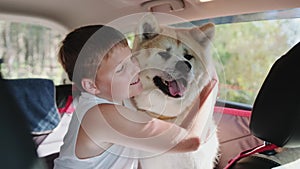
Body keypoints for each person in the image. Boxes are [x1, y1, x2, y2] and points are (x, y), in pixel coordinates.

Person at [54, 24, 217, 169]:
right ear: (91, 86)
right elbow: (190, 141)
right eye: (121, 69)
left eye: (132, 58)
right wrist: (210, 87)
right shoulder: (103, 115)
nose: (135, 69)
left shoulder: (110, 102)